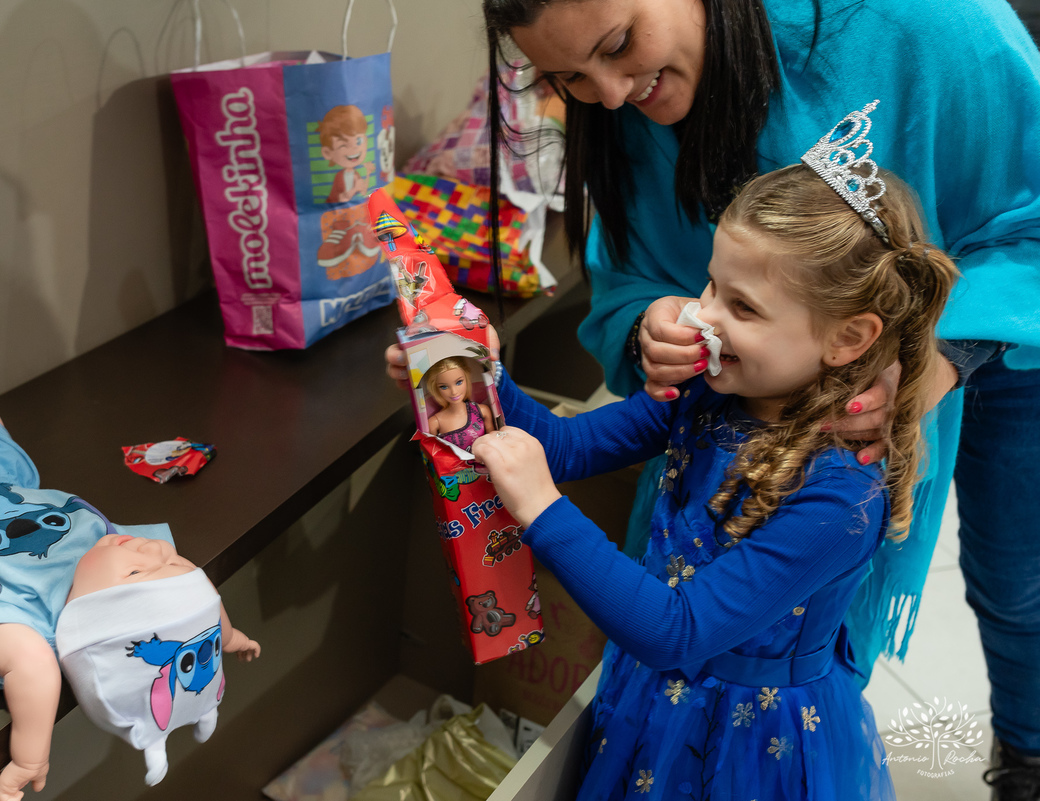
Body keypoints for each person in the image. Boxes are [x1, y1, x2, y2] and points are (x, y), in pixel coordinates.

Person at [480, 0, 1040, 795]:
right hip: (668, 707)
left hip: (760, 746)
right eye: (568, 78)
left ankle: (1030, 757)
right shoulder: (708, 398)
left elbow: (677, 628)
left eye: (620, 45)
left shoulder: (841, 495)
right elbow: (573, 441)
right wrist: (472, 370)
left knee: (1017, 582)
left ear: (848, 336)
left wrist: (541, 508)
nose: (609, 96)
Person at [0, 397, 260, 800]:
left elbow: (35, 672)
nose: (153, 549)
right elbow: (200, 595)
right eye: (172, 560)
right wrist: (226, 635)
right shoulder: (112, 547)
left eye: (138, 572)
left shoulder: (33, 623)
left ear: (97, 615)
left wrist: (31, 756)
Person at [423, 356, 498, 450]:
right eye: (444, 387)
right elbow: (434, 452)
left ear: (466, 379)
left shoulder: (482, 411)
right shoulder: (434, 423)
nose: (454, 392)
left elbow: (493, 441)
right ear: (436, 388)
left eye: (459, 382)